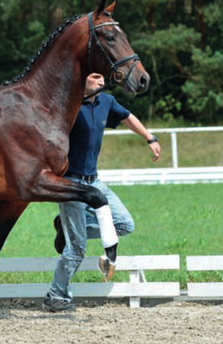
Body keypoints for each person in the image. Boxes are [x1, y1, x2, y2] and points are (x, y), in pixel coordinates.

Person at [43, 72, 161, 313]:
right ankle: (57, 295)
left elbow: (127, 118)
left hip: (94, 182)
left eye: (102, 78)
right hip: (72, 184)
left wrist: (150, 137)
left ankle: (68, 228)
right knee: (76, 249)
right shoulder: (69, 103)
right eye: (95, 77)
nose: (101, 81)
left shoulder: (107, 102)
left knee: (125, 224)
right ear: (82, 79)